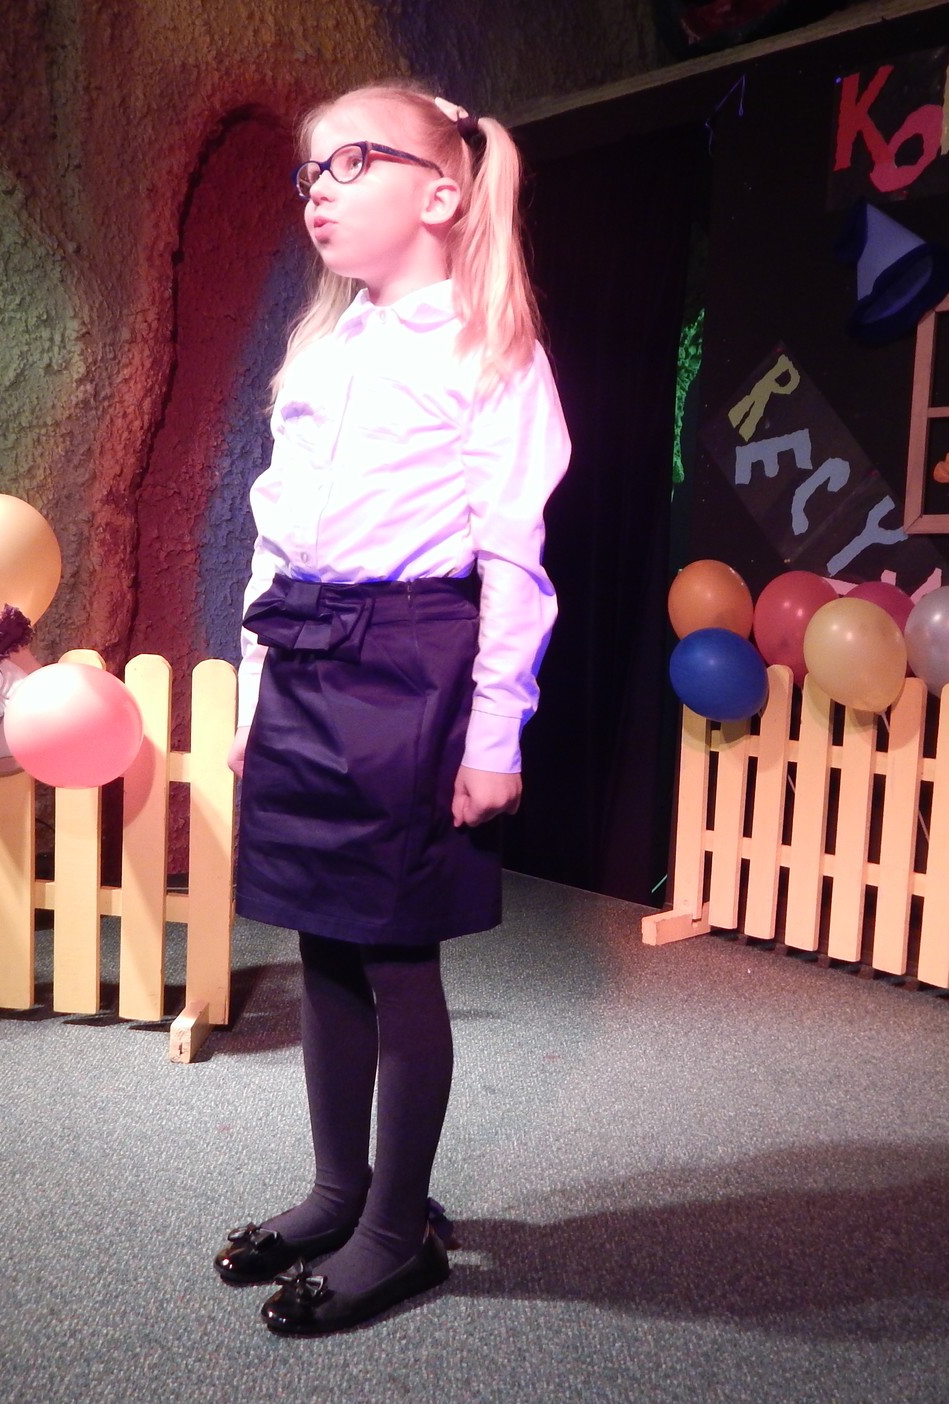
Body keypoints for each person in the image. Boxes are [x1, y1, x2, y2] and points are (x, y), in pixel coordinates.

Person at [213, 82, 570, 1336]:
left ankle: (396, 1227)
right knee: (321, 933)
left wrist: (494, 734)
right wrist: (256, 697)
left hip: (413, 664)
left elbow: (516, 562)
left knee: (395, 948)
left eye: (350, 162)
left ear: (442, 190)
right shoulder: (321, 352)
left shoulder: (490, 349)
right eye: (309, 172)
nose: (318, 191)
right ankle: (338, 1189)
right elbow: (270, 544)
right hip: (306, 655)